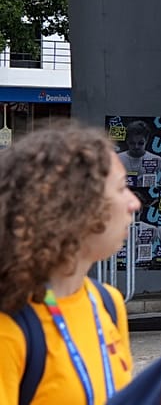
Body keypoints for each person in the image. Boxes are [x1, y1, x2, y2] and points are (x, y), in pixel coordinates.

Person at [0, 124, 141, 404]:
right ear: (76, 206)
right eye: (122, 188)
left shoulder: (108, 303)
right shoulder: (11, 327)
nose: (134, 203)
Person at [118, 121, 160, 189]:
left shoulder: (157, 160)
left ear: (147, 140)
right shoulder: (117, 159)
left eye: (140, 143)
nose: (136, 147)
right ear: (127, 141)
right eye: (132, 143)